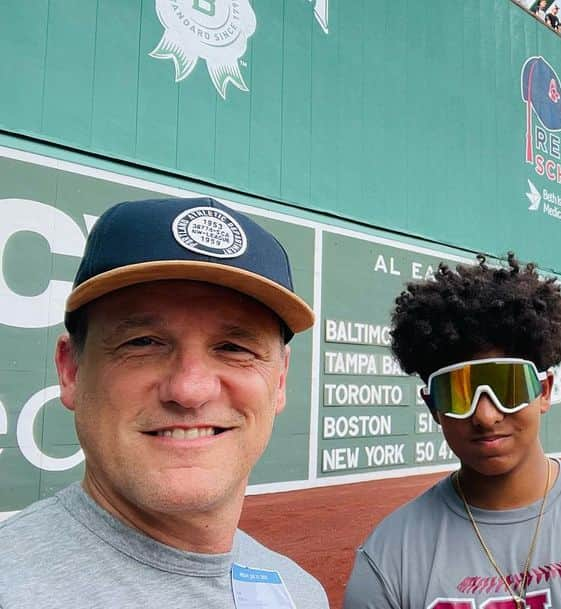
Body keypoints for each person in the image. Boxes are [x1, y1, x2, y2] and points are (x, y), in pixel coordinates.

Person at [0, 197, 328, 608]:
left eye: (234, 346)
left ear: (279, 380)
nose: (190, 389)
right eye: (142, 343)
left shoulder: (299, 593)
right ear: (71, 370)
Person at [344, 254, 561, 609]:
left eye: (507, 384)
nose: (485, 415)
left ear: (544, 391)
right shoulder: (387, 560)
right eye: (458, 392)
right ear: (433, 407)